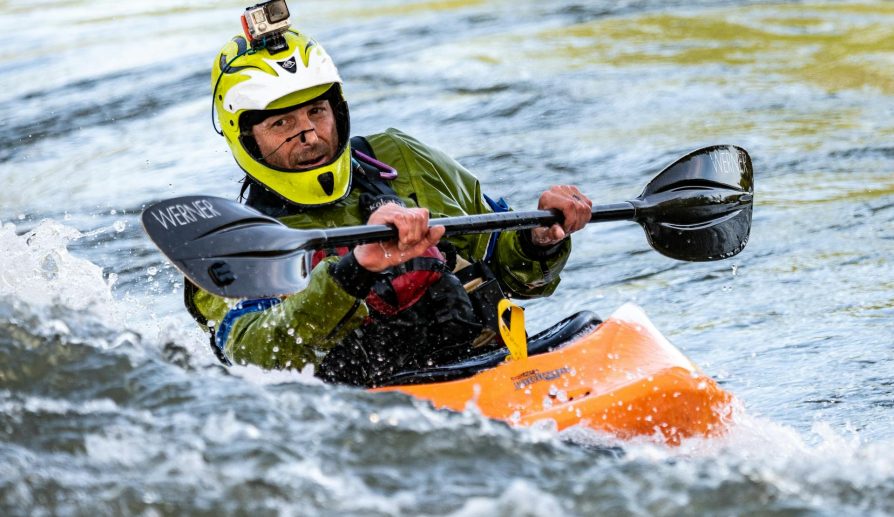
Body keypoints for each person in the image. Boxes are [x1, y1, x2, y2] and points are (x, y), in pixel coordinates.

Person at [186, 28, 592, 387]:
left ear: (338, 110)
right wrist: (354, 272)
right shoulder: (228, 242)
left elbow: (509, 272)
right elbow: (256, 355)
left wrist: (539, 241)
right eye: (282, 124)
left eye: (316, 112)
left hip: (493, 368)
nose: (309, 135)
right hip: (361, 408)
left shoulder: (402, 159)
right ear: (247, 138)